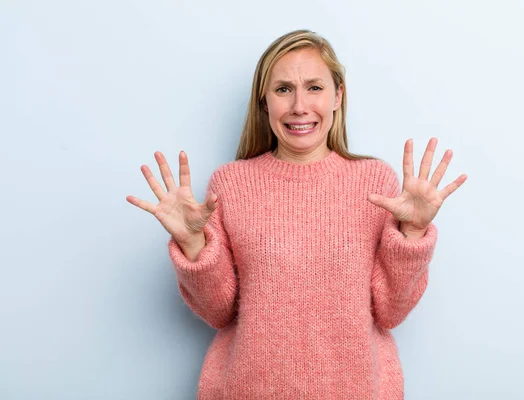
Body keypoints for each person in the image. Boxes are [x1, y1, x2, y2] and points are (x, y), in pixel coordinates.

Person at [126, 29, 467, 399]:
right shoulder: (231, 183)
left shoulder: (375, 182)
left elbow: (390, 312)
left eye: (315, 88)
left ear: (338, 96)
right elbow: (219, 313)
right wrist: (192, 243)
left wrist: (413, 233)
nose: (299, 106)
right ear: (265, 102)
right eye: (284, 89)